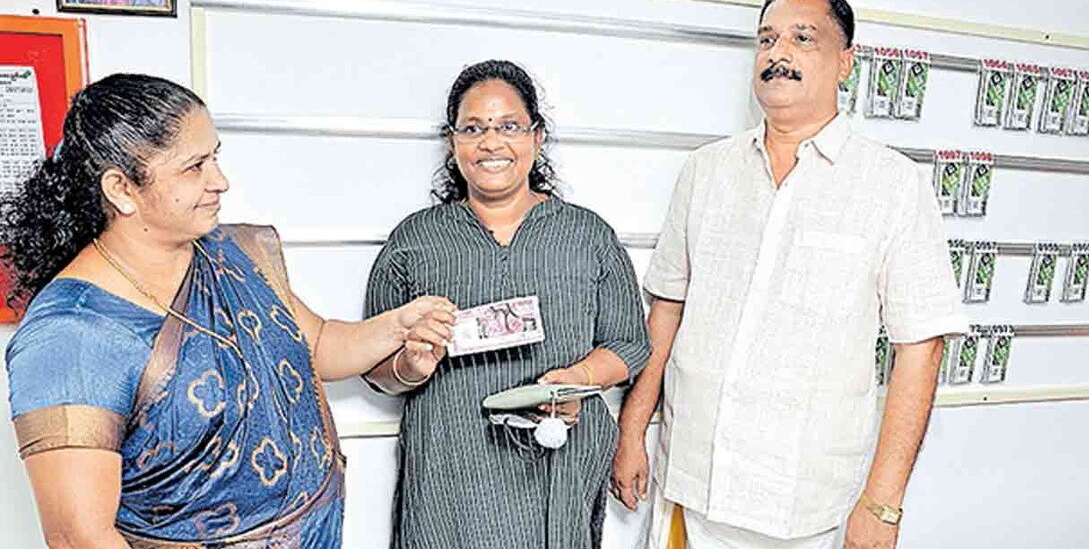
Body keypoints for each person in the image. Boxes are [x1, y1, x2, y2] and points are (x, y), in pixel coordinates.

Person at [1, 73, 452, 548]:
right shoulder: (71, 333)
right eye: (195, 167)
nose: (221, 181)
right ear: (121, 189)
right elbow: (80, 537)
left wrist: (396, 327)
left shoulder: (229, 253)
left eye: (215, 157)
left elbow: (313, 345)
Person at [611, 0, 968, 549]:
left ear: (846, 63)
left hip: (803, 509)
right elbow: (668, 309)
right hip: (689, 486)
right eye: (767, 39)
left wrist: (883, 504)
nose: (778, 53)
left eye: (804, 38)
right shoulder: (707, 172)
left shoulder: (893, 185)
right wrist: (632, 430)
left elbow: (920, 347)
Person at [363, 59, 651, 549]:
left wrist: (575, 381)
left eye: (509, 126)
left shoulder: (586, 235)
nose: (491, 142)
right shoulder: (415, 240)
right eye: (473, 128)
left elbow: (629, 344)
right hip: (449, 479)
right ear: (452, 143)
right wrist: (410, 366)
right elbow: (374, 368)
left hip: (558, 463)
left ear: (537, 138)